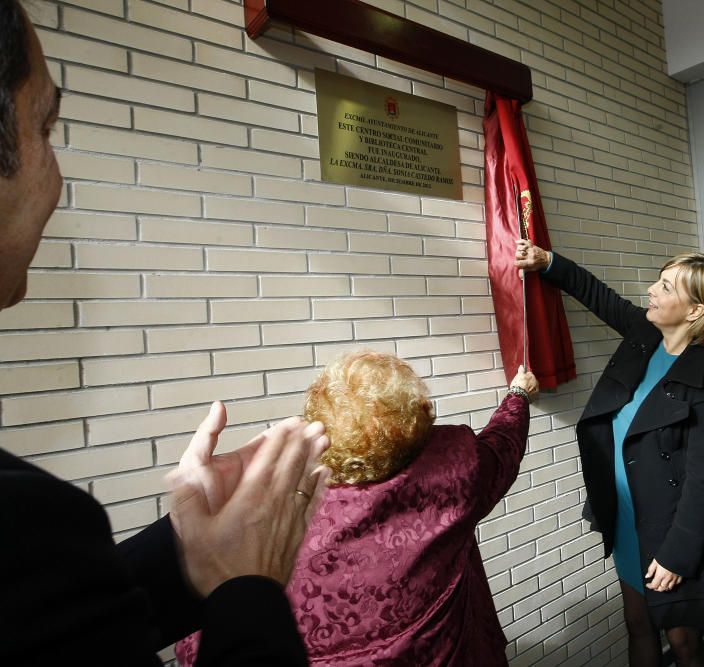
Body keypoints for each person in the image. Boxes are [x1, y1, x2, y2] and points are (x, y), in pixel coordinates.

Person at [0, 2, 331, 664]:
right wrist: (248, 588)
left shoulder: (38, 546)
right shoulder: (28, 523)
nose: (58, 179)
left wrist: (187, 550)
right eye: (46, 124)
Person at [176, 351, 540, 666]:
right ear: (416, 430)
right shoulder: (455, 479)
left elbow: (196, 645)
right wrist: (518, 394)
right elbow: (501, 448)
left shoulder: (258, 536)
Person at [515, 240, 704, 667]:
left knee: (684, 639)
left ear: (695, 310)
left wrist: (677, 555)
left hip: (672, 530)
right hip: (626, 517)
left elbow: (703, 481)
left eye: (667, 286)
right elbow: (598, 294)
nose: (652, 290)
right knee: (637, 623)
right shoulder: (643, 334)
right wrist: (547, 262)